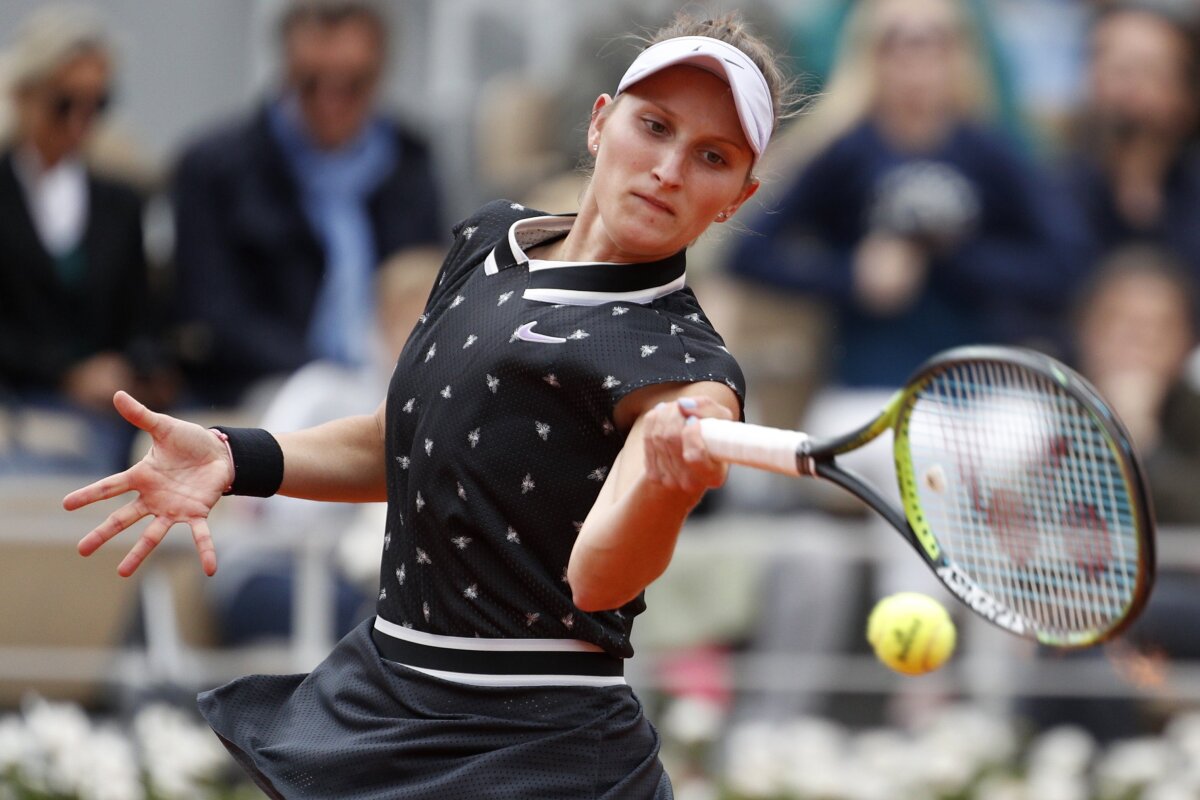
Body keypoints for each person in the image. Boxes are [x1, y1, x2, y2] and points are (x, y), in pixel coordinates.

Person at [65, 11, 791, 798]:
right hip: (390, 699)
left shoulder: (686, 373)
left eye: (711, 156)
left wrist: (664, 481)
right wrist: (240, 456)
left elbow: (602, 581)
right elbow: (405, 442)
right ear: (599, 122)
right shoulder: (488, 243)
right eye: (654, 126)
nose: (669, 168)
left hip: (538, 754)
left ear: (737, 196)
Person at [171, 0, 444, 408]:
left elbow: (431, 287)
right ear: (286, 62)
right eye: (313, 81)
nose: (332, 99)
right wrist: (319, 370)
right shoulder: (215, 168)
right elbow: (215, 316)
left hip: (390, 379)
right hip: (263, 385)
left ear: (380, 70)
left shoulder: (409, 162)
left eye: (353, 83)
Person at [0, 5, 170, 474]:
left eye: (96, 105)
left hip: (103, 411)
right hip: (17, 405)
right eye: (63, 104)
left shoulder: (119, 199)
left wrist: (138, 367)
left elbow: (138, 315)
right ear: (25, 96)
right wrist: (65, 373)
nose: (80, 121)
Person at [1060, 2, 1200, 281]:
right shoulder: (1053, 194)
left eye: (1146, 69)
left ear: (1186, 94)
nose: (1127, 87)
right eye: (1117, 68)